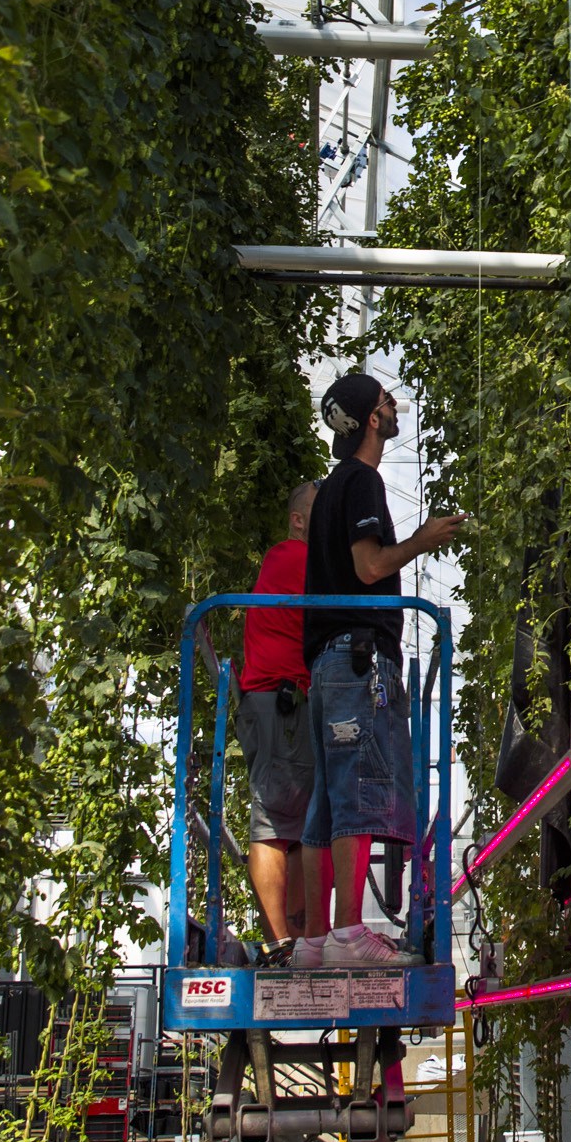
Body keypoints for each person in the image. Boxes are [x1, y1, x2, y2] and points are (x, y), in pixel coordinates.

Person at [299, 371, 462, 967]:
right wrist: (423, 538)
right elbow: (369, 568)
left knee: (326, 803)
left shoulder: (329, 489)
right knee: (359, 790)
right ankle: (347, 935)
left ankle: (315, 942)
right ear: (371, 417)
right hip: (356, 655)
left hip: (326, 661)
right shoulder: (362, 484)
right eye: (388, 403)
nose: (394, 410)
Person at [236, 482, 322, 959]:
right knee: (275, 823)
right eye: (318, 509)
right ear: (297, 519)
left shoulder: (285, 563)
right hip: (282, 701)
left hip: (278, 701)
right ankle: (284, 942)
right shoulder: (294, 556)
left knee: (294, 824)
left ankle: (293, 941)